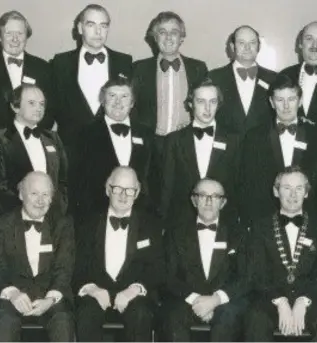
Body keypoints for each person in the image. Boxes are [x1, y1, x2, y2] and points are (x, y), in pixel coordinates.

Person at [245, 167, 317, 341]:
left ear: (307, 193)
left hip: (310, 300)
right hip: (271, 300)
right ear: (276, 191)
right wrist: (280, 301)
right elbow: (257, 273)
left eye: (299, 188)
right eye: (287, 188)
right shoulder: (260, 227)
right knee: (255, 320)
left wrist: (303, 300)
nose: (293, 194)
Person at [74, 167, 163, 342]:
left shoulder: (151, 225)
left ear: (136, 194)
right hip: (97, 292)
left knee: (141, 315)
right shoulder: (87, 224)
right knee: (85, 315)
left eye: (129, 191)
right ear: (108, 190)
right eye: (118, 189)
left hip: (133, 294)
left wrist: (134, 289)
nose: (123, 196)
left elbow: (158, 267)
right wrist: (92, 288)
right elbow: (77, 265)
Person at [0, 172, 75, 341]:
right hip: (13, 296)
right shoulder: (1, 223)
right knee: (4, 323)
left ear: (52, 198)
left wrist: (50, 299)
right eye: (34, 193)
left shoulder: (62, 224)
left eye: (45, 195)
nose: (40, 201)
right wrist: (13, 293)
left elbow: (64, 267)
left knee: (63, 322)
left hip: (50, 296)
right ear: (21, 194)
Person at [163, 178, 249, 341]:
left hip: (224, 302)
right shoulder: (176, 234)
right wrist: (196, 299)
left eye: (215, 196)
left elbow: (244, 276)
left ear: (223, 203)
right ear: (194, 200)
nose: (209, 201)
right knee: (172, 317)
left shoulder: (238, 234)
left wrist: (216, 300)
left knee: (228, 319)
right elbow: (169, 275)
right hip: (187, 299)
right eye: (203, 195)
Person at [239, 75, 317, 225]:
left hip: (309, 217)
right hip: (265, 218)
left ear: (300, 101)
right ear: (271, 102)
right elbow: (249, 183)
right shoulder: (255, 136)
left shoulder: (316, 135)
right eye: (280, 100)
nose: (286, 106)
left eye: (291, 99)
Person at [50, 4, 133, 152]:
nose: (98, 31)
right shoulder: (60, 63)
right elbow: (53, 106)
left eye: (103, 25)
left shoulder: (124, 62)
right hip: (71, 147)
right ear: (80, 28)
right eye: (91, 25)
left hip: (112, 146)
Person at [73, 78, 157, 217]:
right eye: (112, 96)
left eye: (124, 96)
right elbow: (78, 182)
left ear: (132, 103)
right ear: (103, 100)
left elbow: (155, 179)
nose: (118, 102)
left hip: (140, 217)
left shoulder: (146, 134)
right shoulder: (84, 134)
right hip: (96, 216)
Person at [160, 79, 241, 222]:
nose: (208, 108)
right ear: (191, 104)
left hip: (223, 221)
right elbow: (167, 187)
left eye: (213, 102)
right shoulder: (174, 140)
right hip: (182, 221)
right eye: (201, 102)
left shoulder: (234, 140)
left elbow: (238, 185)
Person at [0, 84, 69, 216]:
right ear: (15, 106)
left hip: (52, 219)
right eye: (32, 103)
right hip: (14, 219)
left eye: (42, 104)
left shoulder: (53, 138)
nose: (38, 108)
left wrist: (57, 209)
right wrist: (27, 212)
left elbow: (63, 180)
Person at [0, 10, 52, 143]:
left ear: (26, 36)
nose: (15, 39)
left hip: (34, 142)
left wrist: (33, 135)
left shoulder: (43, 68)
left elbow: (50, 110)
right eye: (9, 33)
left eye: (20, 33)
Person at [132, 11, 208, 144]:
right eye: (162, 32)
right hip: (150, 144)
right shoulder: (139, 68)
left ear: (181, 38)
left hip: (185, 143)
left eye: (174, 32)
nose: (168, 37)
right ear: (155, 38)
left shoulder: (198, 69)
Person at [209, 25, 278, 136]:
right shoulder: (214, 77)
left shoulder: (273, 79)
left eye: (252, 43)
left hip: (262, 150)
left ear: (259, 47)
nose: (247, 47)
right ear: (232, 47)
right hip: (225, 150)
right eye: (241, 43)